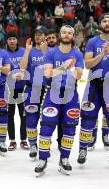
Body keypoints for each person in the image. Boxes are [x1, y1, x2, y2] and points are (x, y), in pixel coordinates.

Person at [77, 13, 109, 166]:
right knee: (87, 118)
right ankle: (83, 148)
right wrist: (101, 54)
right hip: (93, 86)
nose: (106, 23)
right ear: (100, 24)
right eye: (104, 21)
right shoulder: (92, 41)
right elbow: (88, 64)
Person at [35, 25, 84, 175]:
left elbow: (79, 75)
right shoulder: (51, 52)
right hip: (53, 93)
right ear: (60, 34)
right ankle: (43, 159)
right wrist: (64, 67)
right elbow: (48, 73)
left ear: (73, 36)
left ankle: (64, 158)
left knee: (70, 127)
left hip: (71, 94)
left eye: (70, 33)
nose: (66, 35)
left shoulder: (77, 53)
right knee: (46, 127)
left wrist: (72, 69)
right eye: (64, 32)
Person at [19, 25, 48, 159]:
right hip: (31, 88)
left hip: (47, 89)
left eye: (41, 34)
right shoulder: (29, 51)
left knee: (48, 118)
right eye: (36, 34)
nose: (38, 36)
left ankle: (44, 144)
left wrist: (44, 52)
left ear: (45, 36)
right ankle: (32, 144)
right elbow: (22, 68)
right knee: (31, 118)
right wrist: (27, 50)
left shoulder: (51, 50)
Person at [5, 32, 27, 151]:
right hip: (9, 89)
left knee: (23, 115)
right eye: (10, 39)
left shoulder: (23, 51)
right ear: (7, 41)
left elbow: (28, 66)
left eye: (14, 38)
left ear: (17, 40)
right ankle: (12, 140)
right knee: (10, 116)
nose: (12, 41)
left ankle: (24, 140)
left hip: (22, 88)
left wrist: (23, 74)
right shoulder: (4, 53)